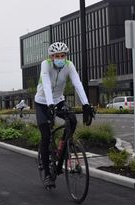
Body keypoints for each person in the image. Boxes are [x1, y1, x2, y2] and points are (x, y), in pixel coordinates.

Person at [35, 42, 93, 188]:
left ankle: (63, 148)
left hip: (59, 100)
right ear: (51, 57)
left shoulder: (69, 65)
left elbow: (77, 83)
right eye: (57, 56)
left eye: (63, 55)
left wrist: (86, 104)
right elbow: (47, 84)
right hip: (42, 102)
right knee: (46, 135)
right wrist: (49, 105)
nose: (60, 58)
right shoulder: (46, 65)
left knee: (72, 120)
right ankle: (48, 174)